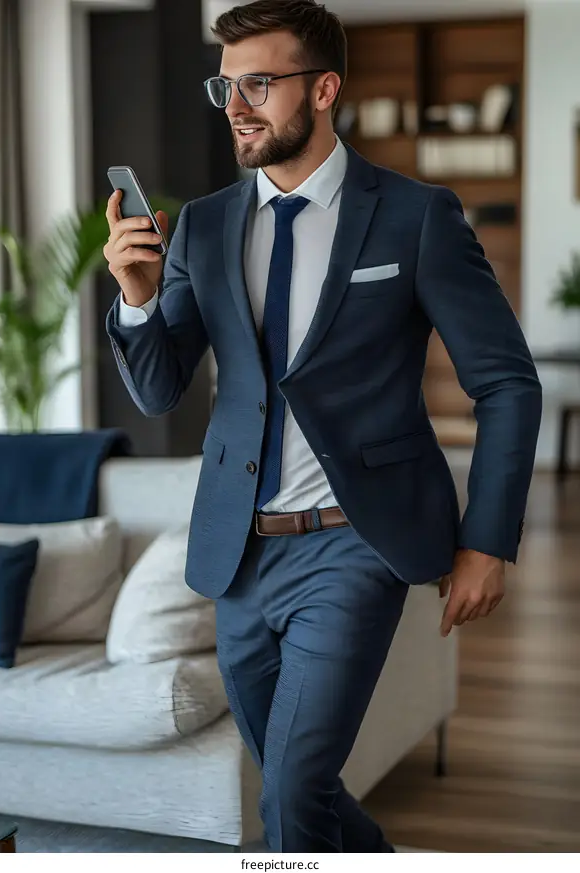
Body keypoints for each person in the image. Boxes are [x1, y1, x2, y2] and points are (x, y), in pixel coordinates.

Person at [103, 0, 542, 853]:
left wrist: (489, 543)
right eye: (225, 85)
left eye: (259, 83)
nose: (236, 104)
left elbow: (506, 384)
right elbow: (160, 391)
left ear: (324, 88)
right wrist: (135, 299)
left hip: (354, 545)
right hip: (239, 554)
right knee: (299, 790)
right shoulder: (204, 224)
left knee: (293, 796)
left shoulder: (416, 216)